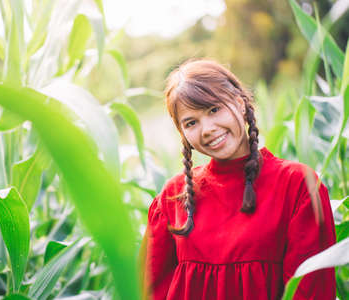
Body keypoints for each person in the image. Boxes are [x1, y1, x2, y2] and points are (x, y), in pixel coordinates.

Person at [140, 59, 336, 300]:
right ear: (183, 133)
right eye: (191, 123)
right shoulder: (173, 197)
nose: (207, 129)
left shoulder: (298, 185)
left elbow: (310, 290)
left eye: (214, 109)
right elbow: (148, 291)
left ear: (241, 104)